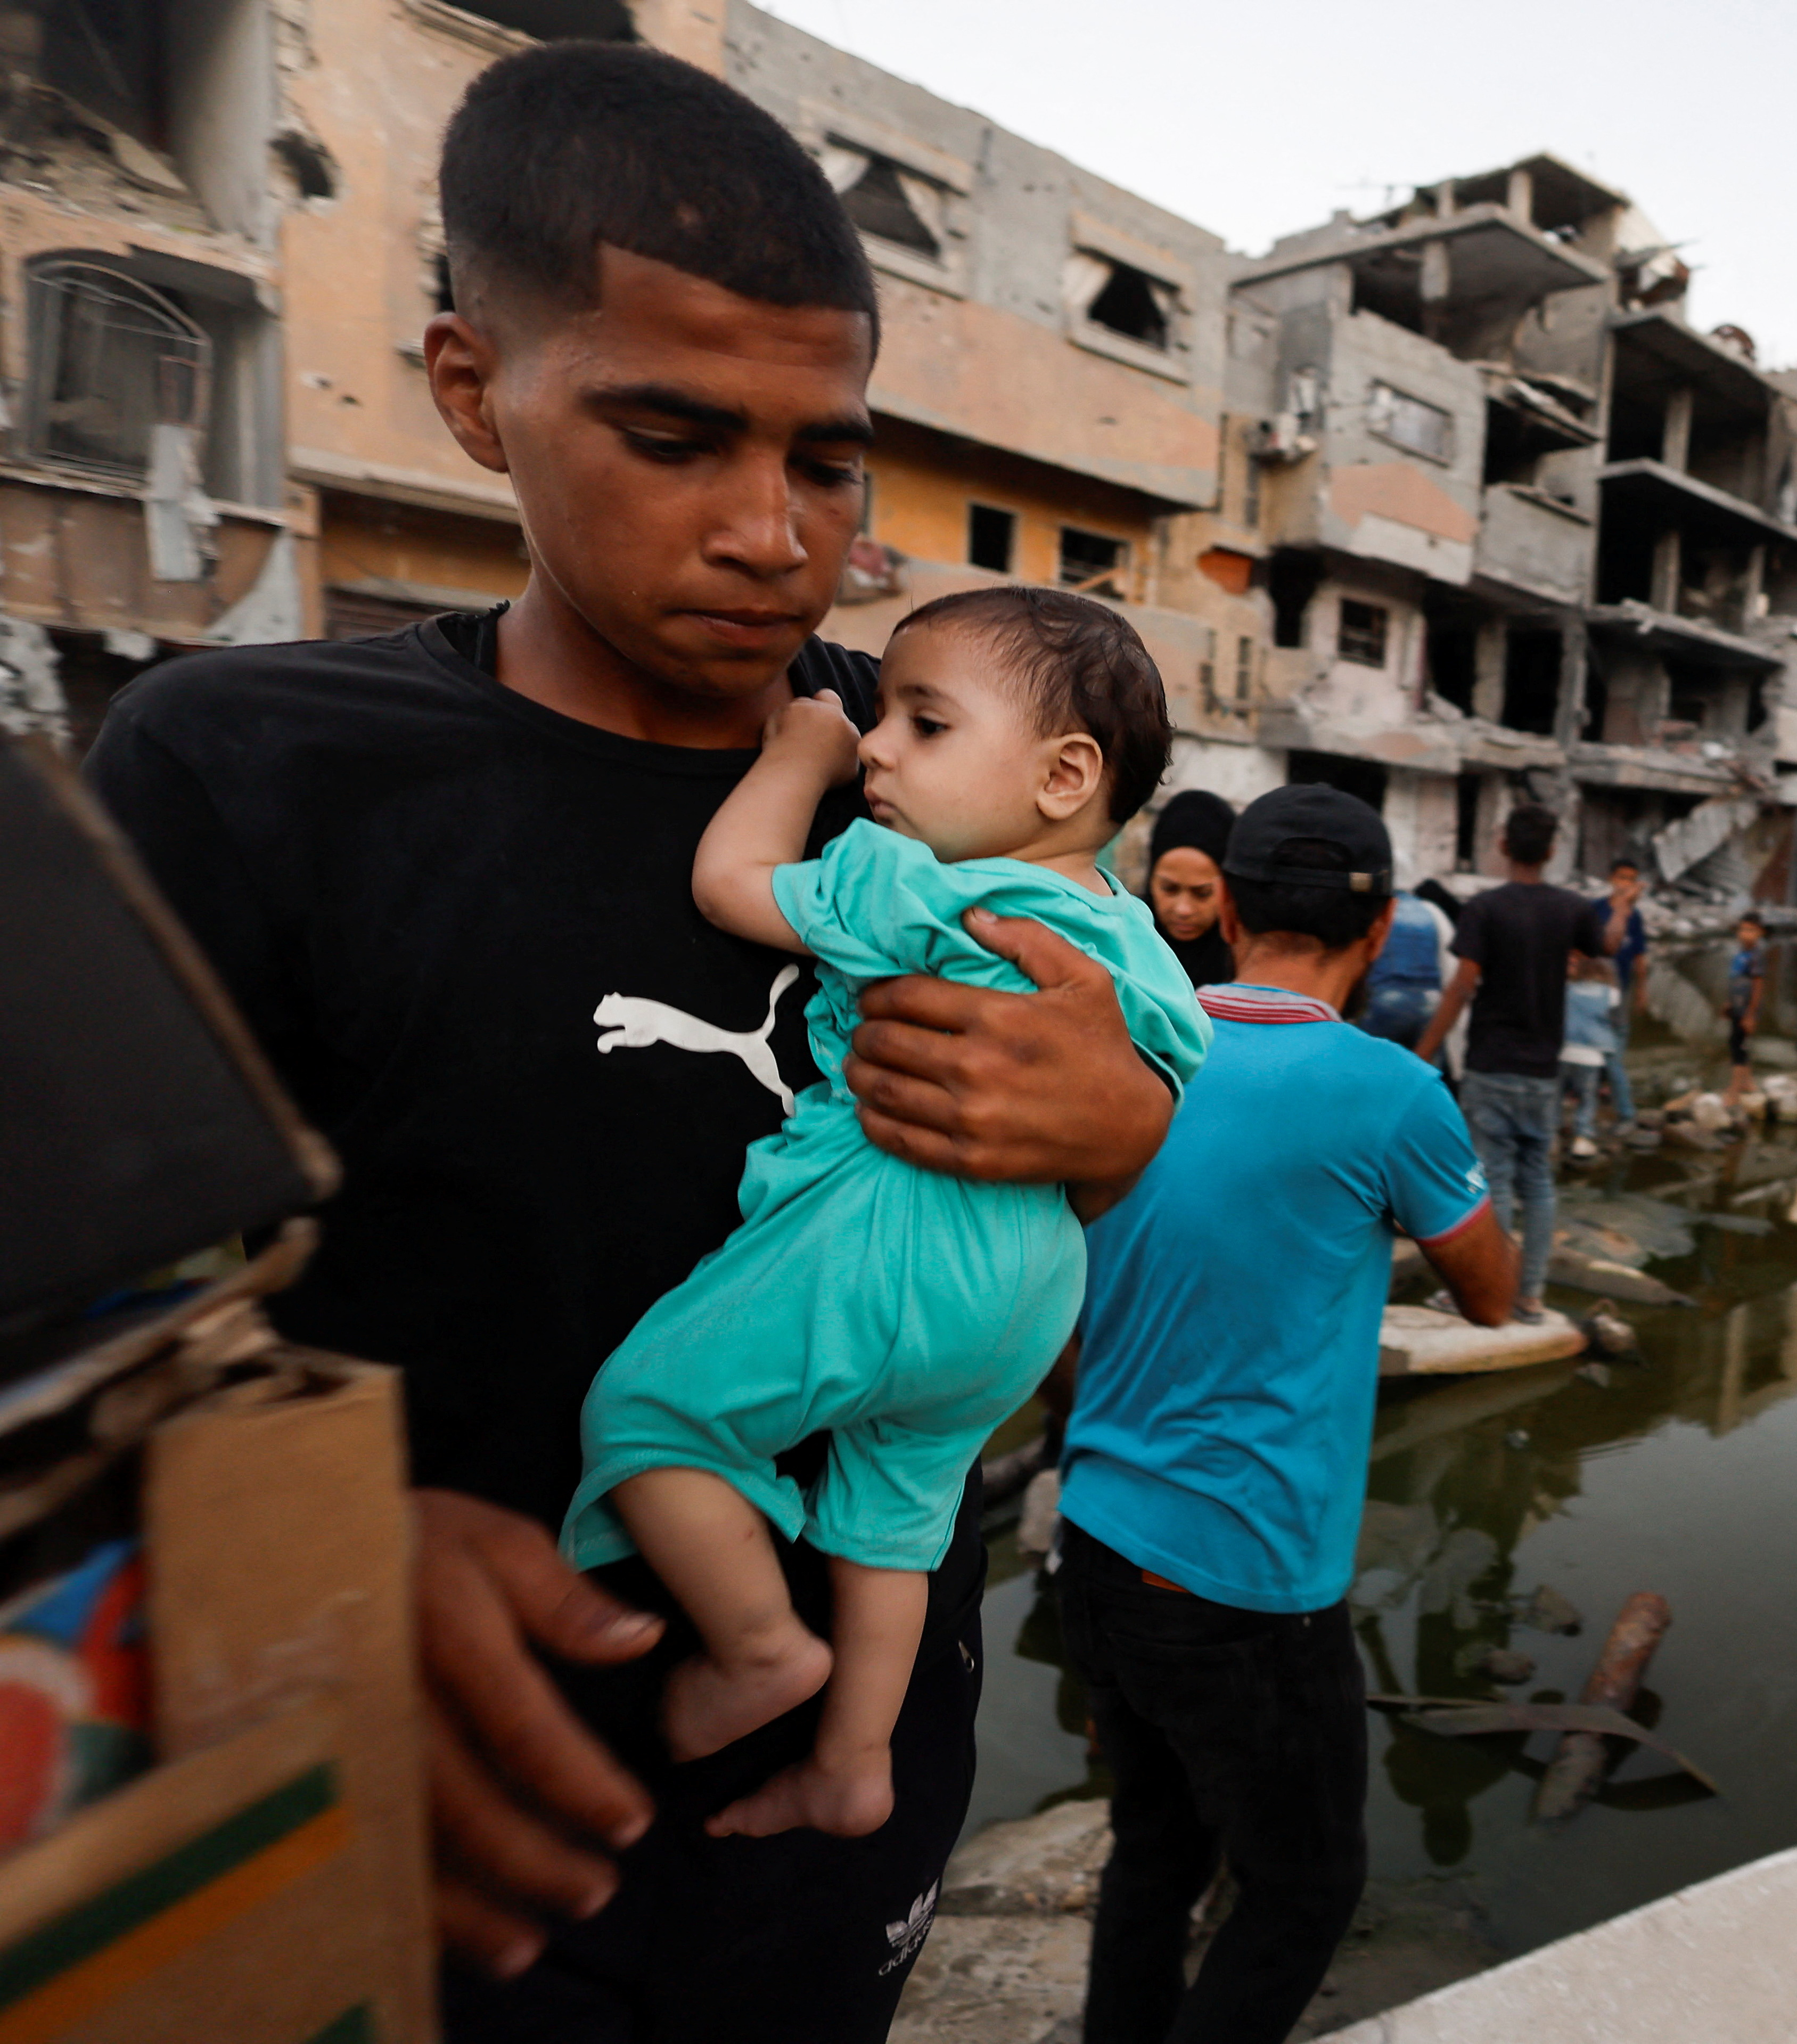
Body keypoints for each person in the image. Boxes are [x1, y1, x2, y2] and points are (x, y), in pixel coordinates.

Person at [84, 45, 1171, 2039]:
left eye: (828, 459)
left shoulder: (932, 752)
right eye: (673, 435)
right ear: (474, 388)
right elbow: (76, 1315)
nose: (779, 535)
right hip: (441, 1811)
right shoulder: (246, 771)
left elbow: (1111, 1087)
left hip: (850, 1778)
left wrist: (1117, 1123)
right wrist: (303, 1518)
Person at [561, 588, 1207, 1839]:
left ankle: (756, 1648)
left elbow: (730, 881)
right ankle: (854, 1762)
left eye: (923, 723)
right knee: (898, 1504)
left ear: (1065, 774)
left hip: (893, 1231)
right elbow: (1168, 1071)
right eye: (876, 724)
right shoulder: (1125, 936)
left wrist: (794, 761)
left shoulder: (921, 891)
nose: (875, 745)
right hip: (1025, 1283)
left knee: (650, 1410)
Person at [1062, 785, 1517, 2044]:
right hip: (1250, 1585)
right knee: (1306, 1888)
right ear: (1378, 935)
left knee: (1154, 1857)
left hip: (1096, 1537)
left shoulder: (1133, 1045)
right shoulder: (1387, 1092)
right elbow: (1490, 1293)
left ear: (1235, 906)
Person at [1415, 805, 1618, 1319]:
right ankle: (1529, 1296)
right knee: (1539, 1183)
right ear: (1552, 851)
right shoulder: (1571, 909)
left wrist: (1423, 1054)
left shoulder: (1485, 909)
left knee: (1493, 1181)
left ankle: (1492, 1295)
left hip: (1491, 1064)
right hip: (1544, 1070)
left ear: (1503, 846)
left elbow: (1462, 986)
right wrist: (1623, 908)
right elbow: (1605, 949)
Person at [1143, 788, 1236, 988]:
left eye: (1202, 893)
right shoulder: (1122, 949)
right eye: (1169, 889)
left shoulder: (1246, 963)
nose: (1183, 910)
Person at [1359, 884, 1452, 1051]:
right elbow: (1449, 958)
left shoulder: (1379, 908)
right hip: (1430, 1002)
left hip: (1384, 999)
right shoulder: (1430, 911)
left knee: (1374, 1068)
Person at [1560, 950, 1626, 1152]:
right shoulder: (1611, 994)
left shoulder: (1568, 989)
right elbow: (1616, 1019)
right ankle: (1583, 1134)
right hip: (1592, 1057)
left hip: (1565, 1052)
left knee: (1556, 1094)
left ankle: (1551, 1129)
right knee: (1588, 1098)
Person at [1725, 912, 1770, 1105]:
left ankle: (1733, 1092)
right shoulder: (1740, 954)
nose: (1745, 934)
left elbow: (1758, 987)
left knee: (1739, 1047)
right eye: (1743, 930)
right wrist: (1728, 1003)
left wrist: (1751, 1015)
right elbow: (1735, 981)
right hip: (1737, 1006)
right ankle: (1748, 1083)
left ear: (1760, 933)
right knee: (1739, 1043)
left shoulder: (1756, 957)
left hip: (1747, 1010)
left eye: (1751, 930)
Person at [1602, 859, 1653, 1017]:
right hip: (1597, 984)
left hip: (1622, 984)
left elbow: (1639, 954)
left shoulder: (1635, 916)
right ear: (1611, 878)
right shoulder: (1595, 909)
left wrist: (1641, 991)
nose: (1626, 884)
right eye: (1622, 878)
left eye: (1631, 880)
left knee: (1619, 1027)